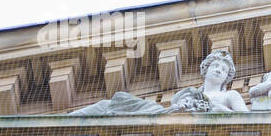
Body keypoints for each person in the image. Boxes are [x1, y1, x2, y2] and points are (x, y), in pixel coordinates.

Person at [71, 48, 247, 114]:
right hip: (162, 115)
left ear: (227, 78)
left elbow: (246, 120)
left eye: (224, 70)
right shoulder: (193, 93)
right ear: (205, 69)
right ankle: (70, 122)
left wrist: (210, 108)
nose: (219, 70)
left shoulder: (230, 95)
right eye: (215, 66)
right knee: (114, 103)